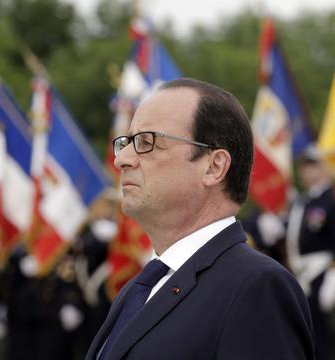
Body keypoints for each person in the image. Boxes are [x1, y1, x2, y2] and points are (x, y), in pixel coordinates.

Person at [85, 78, 314, 360]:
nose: (122, 159)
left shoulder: (256, 287)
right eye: (127, 142)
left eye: (147, 141)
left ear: (213, 166)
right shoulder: (138, 289)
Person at [286, 145, 335, 360]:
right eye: (304, 166)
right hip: (301, 272)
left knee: (324, 336)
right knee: (308, 332)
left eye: (312, 165)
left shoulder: (331, 196)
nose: (306, 171)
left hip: (323, 271)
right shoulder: (302, 200)